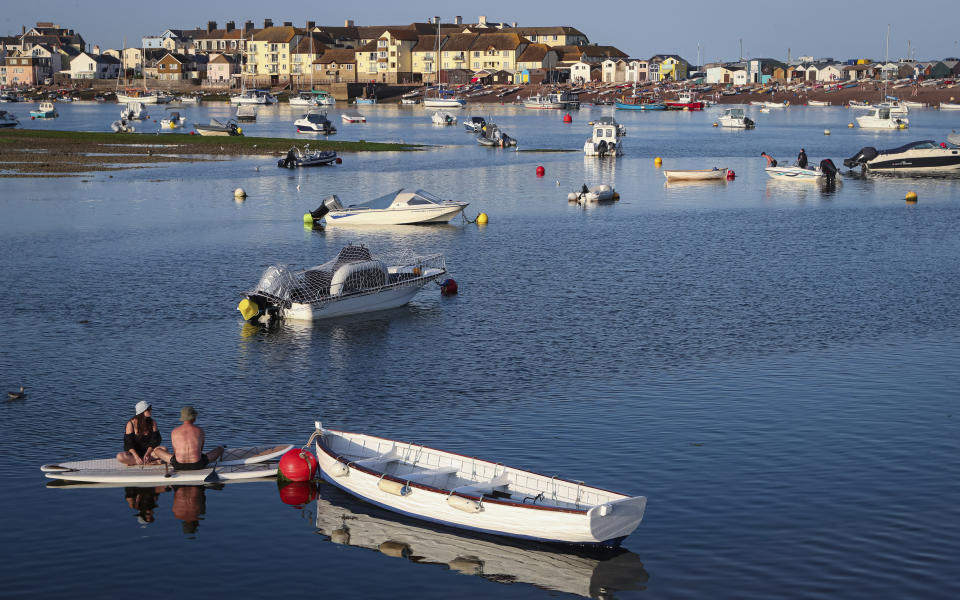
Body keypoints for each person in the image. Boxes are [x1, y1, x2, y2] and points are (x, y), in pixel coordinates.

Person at [153, 406, 223, 471]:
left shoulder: (174, 431)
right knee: (220, 449)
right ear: (194, 417)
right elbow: (200, 450)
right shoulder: (200, 430)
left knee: (157, 450)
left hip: (178, 465)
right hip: (198, 464)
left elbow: (175, 452)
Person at [116, 401, 165, 466]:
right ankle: (148, 462)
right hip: (134, 453)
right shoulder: (131, 424)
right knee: (120, 456)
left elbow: (155, 441)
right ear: (142, 412)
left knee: (164, 449)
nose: (151, 410)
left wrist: (147, 453)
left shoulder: (153, 422)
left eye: (150, 408)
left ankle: (139, 461)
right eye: (148, 409)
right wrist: (136, 456)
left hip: (149, 452)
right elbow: (129, 444)